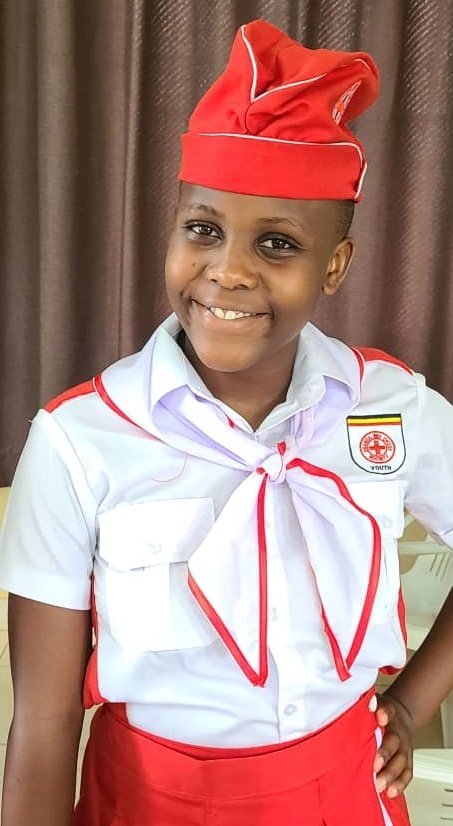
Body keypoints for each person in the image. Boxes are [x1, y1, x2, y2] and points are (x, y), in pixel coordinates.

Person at [1, 18, 453, 826]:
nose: (227, 271)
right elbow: (40, 728)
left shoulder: (390, 408)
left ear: (332, 267)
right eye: (202, 229)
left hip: (341, 794)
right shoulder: (76, 444)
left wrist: (413, 701)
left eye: (276, 243)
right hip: (147, 803)